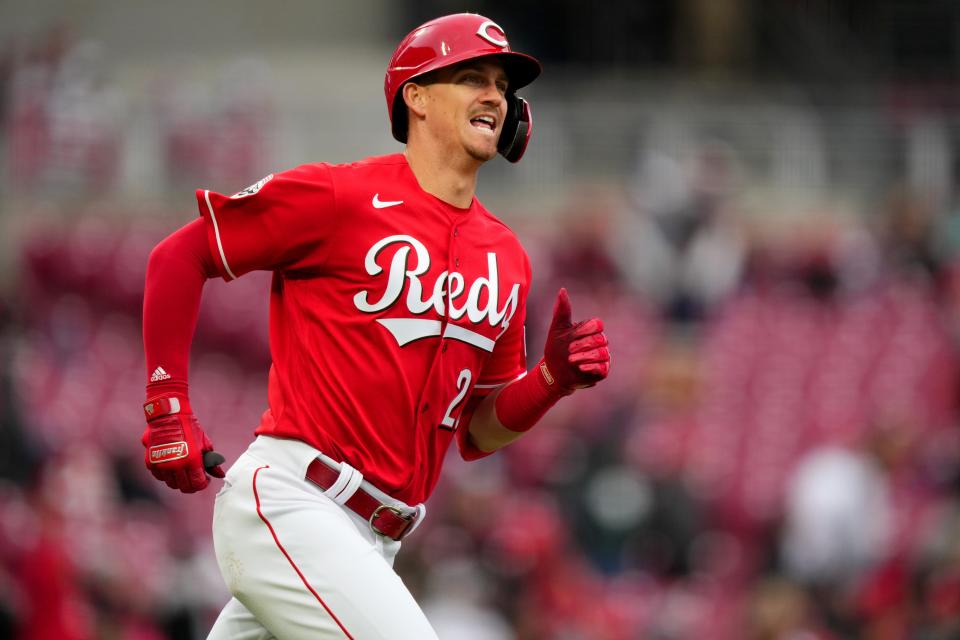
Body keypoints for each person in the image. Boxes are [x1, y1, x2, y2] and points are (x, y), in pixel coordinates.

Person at [140, 13, 611, 639]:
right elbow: (180, 255)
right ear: (414, 96)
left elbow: (478, 430)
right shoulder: (339, 197)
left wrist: (549, 380)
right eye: (472, 76)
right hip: (294, 504)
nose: (495, 96)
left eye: (502, 85)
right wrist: (165, 401)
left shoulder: (506, 256)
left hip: (374, 542)